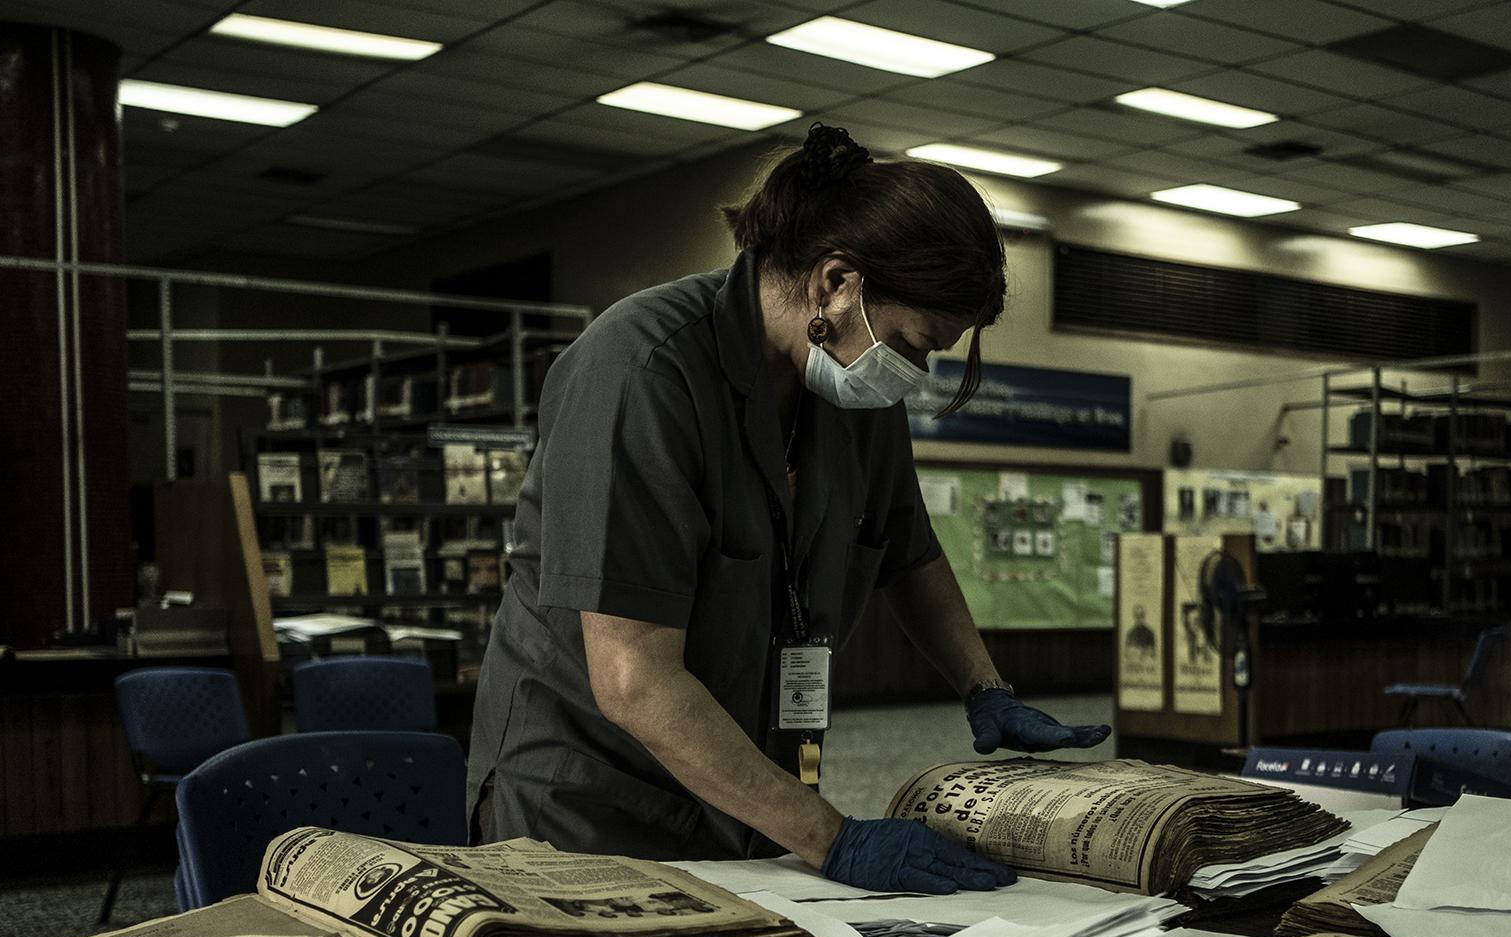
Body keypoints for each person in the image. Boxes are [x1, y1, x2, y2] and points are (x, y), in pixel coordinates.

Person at [467, 123, 1108, 895]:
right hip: (589, 804)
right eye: (916, 342)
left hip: (745, 791)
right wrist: (833, 840)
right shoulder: (640, 373)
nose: (915, 369)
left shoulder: (847, 384)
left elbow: (909, 551)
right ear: (838, 284)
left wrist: (984, 685)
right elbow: (634, 681)